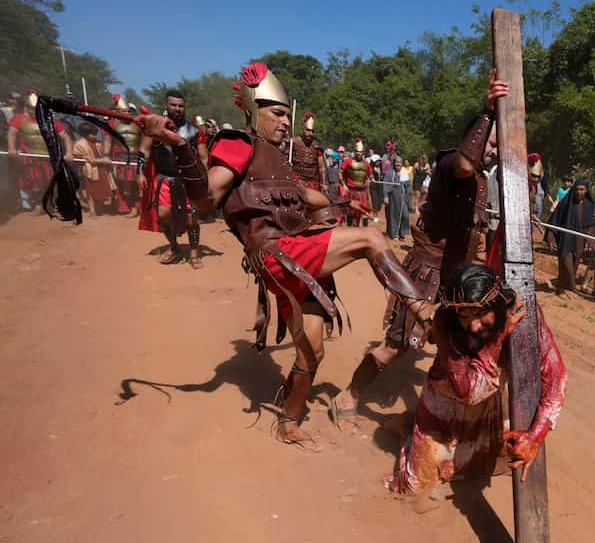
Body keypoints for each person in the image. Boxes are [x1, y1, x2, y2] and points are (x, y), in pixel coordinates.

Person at [135, 61, 431, 448]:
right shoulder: (238, 144)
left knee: (312, 349)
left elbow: (308, 197)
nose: (283, 122)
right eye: (276, 113)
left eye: (286, 115)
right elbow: (206, 197)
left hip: (294, 259)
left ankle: (288, 422)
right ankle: (426, 313)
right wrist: (177, 145)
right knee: (372, 240)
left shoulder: (277, 159)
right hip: (278, 253)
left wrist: (344, 204)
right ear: (252, 109)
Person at [330, 71, 508, 429]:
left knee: (457, 348)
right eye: (488, 141)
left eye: (495, 143)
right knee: (398, 346)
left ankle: (429, 418)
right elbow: (465, 163)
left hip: (456, 280)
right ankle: (346, 396)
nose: (493, 148)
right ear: (471, 137)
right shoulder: (449, 165)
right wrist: (486, 113)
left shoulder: (482, 180)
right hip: (426, 274)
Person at [385, 263, 567, 497]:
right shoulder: (445, 321)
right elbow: (468, 392)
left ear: (498, 305)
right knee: (414, 488)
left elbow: (556, 376)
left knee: (495, 464)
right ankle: (409, 427)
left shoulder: (523, 313)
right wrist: (497, 339)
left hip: (488, 404)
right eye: (465, 316)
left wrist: (536, 434)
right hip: (443, 404)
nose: (473, 325)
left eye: (481, 314)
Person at [137, 90, 209, 269]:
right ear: (166, 105)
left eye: (181, 106)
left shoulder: (194, 131)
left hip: (188, 180)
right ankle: (174, 246)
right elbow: (144, 152)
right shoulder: (153, 126)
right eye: (173, 105)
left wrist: (203, 179)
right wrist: (139, 172)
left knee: (193, 217)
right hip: (164, 178)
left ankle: (194, 252)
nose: (177, 109)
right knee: (162, 216)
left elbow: (204, 158)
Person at [6, 90, 74, 213]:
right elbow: (12, 133)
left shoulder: (51, 121)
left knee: (52, 181)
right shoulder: (19, 119)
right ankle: (38, 205)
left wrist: (69, 152)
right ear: (27, 108)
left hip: (50, 155)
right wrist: (11, 148)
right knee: (35, 182)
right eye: (32, 109)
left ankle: (52, 203)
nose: (35, 112)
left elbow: (65, 137)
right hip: (31, 156)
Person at [547, 179, 594, 293]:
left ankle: (563, 285)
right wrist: (551, 237)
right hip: (566, 236)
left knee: (575, 261)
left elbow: (590, 224)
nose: (579, 192)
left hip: (580, 237)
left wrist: (590, 240)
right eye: (577, 189)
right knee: (565, 259)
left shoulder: (588, 205)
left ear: (586, 191)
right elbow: (555, 219)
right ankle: (572, 286)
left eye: (582, 190)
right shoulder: (566, 202)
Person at [104, 94, 142, 217]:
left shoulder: (137, 123)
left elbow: (145, 140)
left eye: (128, 111)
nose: (126, 113)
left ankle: (136, 208)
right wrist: (105, 155)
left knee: (136, 184)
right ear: (117, 111)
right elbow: (107, 140)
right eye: (123, 111)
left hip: (136, 157)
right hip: (120, 158)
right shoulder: (111, 124)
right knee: (122, 184)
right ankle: (125, 207)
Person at [73, 122, 117, 217]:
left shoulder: (98, 143)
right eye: (92, 134)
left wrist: (102, 160)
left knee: (102, 190)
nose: (94, 136)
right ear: (84, 133)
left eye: (95, 133)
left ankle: (98, 207)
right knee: (90, 191)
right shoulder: (79, 144)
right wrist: (90, 160)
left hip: (102, 170)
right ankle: (92, 210)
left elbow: (104, 155)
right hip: (89, 171)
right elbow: (77, 158)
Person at [340, 138, 372, 227]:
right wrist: (343, 184)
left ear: (363, 153)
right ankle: (350, 229)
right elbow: (340, 172)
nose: (358, 153)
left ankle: (365, 231)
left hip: (362, 191)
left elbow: (370, 174)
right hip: (351, 190)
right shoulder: (348, 161)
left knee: (364, 211)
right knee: (351, 212)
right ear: (354, 151)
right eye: (357, 151)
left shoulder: (366, 163)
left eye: (360, 151)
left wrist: (372, 178)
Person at [291, 112, 326, 190]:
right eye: (308, 130)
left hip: (313, 183)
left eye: (312, 131)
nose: (310, 133)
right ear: (302, 129)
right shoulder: (293, 142)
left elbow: (322, 168)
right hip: (296, 181)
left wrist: (323, 184)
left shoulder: (317, 146)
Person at [384, 157, 410, 241]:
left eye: (400, 162)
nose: (398, 164)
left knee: (405, 215)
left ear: (402, 163)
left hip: (403, 197)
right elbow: (385, 185)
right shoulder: (390, 173)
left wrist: (408, 197)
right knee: (394, 215)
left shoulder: (405, 172)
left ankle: (402, 233)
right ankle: (394, 234)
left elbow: (408, 186)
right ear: (394, 163)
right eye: (396, 162)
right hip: (394, 196)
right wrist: (386, 196)